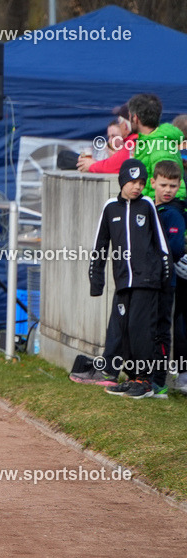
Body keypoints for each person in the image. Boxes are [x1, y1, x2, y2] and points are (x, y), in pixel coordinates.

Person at [89, 159, 169, 399]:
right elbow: (100, 246)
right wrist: (96, 281)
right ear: (122, 181)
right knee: (124, 330)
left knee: (140, 330)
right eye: (133, 181)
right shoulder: (110, 207)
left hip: (148, 282)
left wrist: (164, 276)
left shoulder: (147, 205)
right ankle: (132, 377)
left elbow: (162, 243)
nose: (137, 187)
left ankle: (145, 381)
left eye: (142, 182)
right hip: (123, 282)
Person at [152, 160, 186, 395]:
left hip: (172, 278)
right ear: (154, 183)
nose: (167, 190)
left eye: (172, 186)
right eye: (163, 185)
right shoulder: (149, 208)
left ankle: (170, 377)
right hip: (154, 280)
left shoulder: (174, 213)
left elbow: (172, 247)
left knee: (174, 326)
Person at [127, 94, 185, 200]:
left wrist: (159, 211)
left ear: (135, 118)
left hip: (161, 212)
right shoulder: (147, 142)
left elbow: (172, 188)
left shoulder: (160, 147)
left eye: (129, 116)